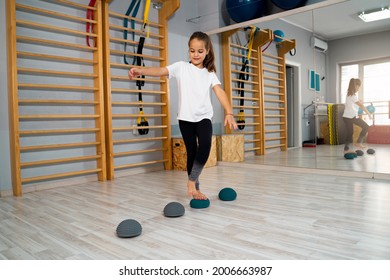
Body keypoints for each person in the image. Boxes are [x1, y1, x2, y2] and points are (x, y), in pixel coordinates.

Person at [128, 31, 238, 200]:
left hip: (204, 117)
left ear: (207, 51)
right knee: (192, 152)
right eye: (192, 50)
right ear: (189, 51)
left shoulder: (209, 73)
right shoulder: (181, 67)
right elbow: (160, 70)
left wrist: (229, 111)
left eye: (200, 51)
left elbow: (219, 91)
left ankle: (191, 182)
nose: (196, 54)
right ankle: (195, 189)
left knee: (205, 147)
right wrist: (139, 70)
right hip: (185, 119)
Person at [342, 78, 372, 153]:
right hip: (348, 117)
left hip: (353, 116)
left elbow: (354, 105)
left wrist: (359, 102)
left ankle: (358, 142)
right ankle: (346, 149)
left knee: (365, 126)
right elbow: (362, 106)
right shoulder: (352, 96)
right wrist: (368, 113)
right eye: (358, 86)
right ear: (354, 86)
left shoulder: (350, 95)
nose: (359, 88)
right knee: (350, 133)